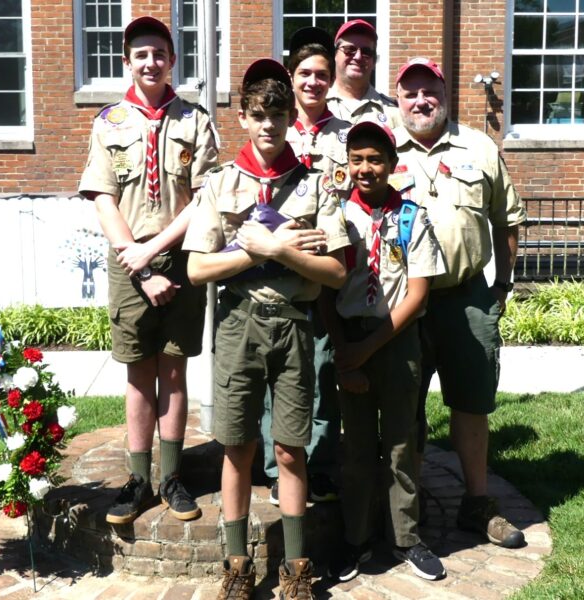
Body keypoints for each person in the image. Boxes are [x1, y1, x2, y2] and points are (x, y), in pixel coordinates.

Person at [183, 58, 349, 600]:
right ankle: (236, 565)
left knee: (290, 449)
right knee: (238, 447)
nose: (269, 125)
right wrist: (250, 252)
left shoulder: (315, 186)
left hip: (294, 325)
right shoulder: (221, 183)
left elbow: (336, 271)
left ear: (289, 117)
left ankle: (297, 568)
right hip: (239, 323)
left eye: (278, 115)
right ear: (243, 119)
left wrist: (278, 249)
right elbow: (197, 268)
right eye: (258, 115)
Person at [79, 16, 218, 525]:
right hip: (128, 262)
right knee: (139, 374)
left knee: (174, 371)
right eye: (141, 54)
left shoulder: (195, 121)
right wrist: (137, 263)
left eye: (159, 53)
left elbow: (203, 199)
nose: (151, 62)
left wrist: (154, 250)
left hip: (181, 258)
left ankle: (172, 477)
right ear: (127, 62)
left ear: (172, 60)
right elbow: (103, 199)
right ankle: (138, 479)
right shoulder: (109, 123)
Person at [393, 57, 527, 548]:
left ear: (445, 95)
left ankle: (476, 503)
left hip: (467, 297)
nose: (420, 101)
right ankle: (408, 509)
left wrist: (501, 286)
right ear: (398, 99)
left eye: (429, 91)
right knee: (405, 407)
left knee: (472, 404)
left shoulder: (479, 148)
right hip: (403, 300)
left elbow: (507, 219)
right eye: (410, 93)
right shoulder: (383, 147)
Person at [319, 121, 446, 583]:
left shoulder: (412, 217)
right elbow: (324, 292)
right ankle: (356, 539)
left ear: (392, 164)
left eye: (375, 159)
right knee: (355, 449)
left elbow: (418, 294)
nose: (365, 168)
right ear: (346, 165)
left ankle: (406, 537)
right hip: (348, 335)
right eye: (357, 160)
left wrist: (367, 348)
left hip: (395, 340)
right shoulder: (334, 217)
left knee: (400, 444)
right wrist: (344, 350)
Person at [260, 26, 352, 507]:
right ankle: (278, 467)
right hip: (280, 273)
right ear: (291, 78)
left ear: (331, 80)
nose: (313, 82)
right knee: (278, 372)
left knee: (323, 366)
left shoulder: (347, 135)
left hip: (329, 270)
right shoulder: (274, 127)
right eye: (305, 74)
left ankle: (320, 463)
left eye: (321, 74)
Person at [327, 19, 401, 128]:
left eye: (366, 52)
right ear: (335, 55)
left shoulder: (393, 112)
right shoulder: (316, 105)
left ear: (374, 61)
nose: (358, 57)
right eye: (350, 49)